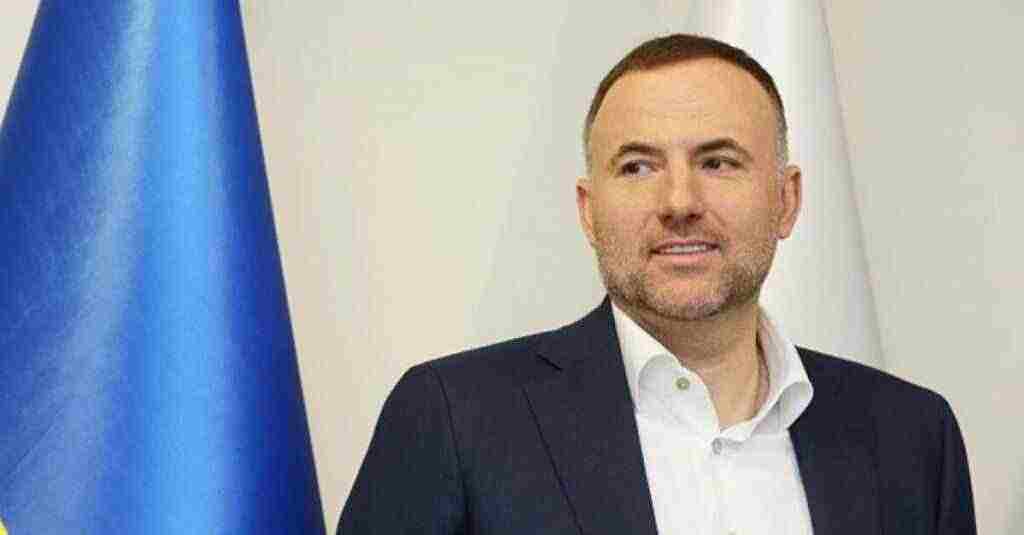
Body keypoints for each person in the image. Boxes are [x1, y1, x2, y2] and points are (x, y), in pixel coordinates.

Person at [338, 33, 976, 534]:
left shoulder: (913, 436)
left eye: (717, 162)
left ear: (786, 201)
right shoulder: (455, 418)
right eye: (638, 167)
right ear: (588, 210)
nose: (679, 202)